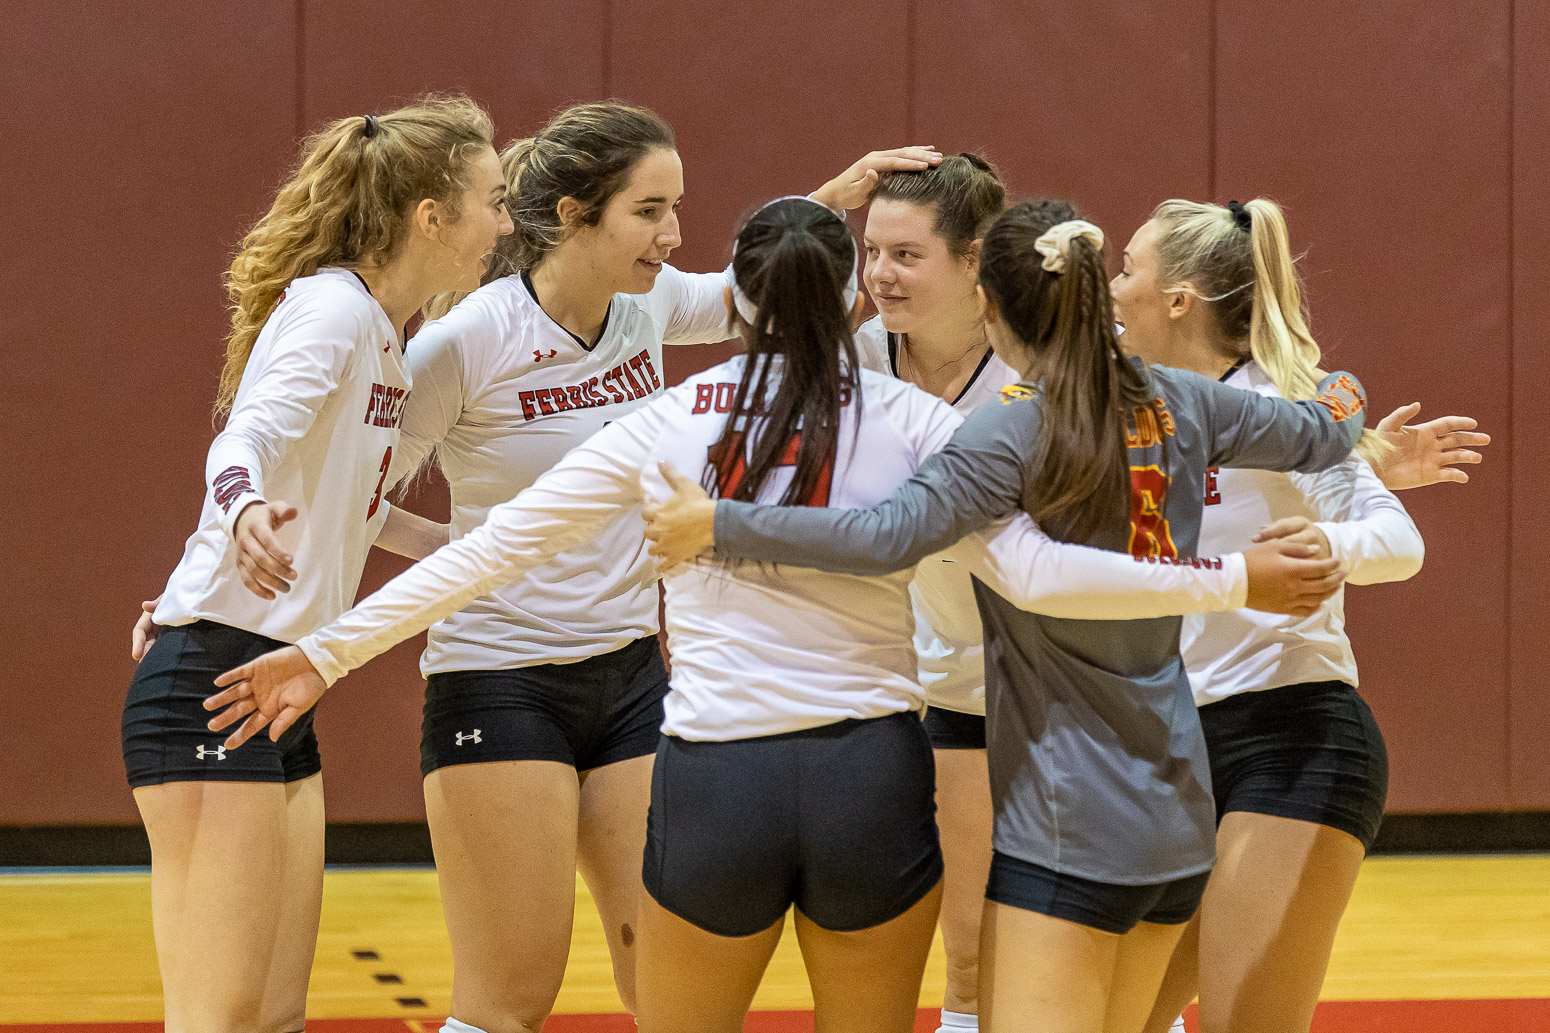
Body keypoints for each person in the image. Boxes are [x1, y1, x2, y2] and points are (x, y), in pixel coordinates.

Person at [201, 197, 1344, 1033]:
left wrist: (324, 651)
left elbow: (498, 547)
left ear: (737, 298)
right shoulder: (915, 421)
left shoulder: (672, 418)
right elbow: (1038, 569)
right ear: (850, 290)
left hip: (714, 781)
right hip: (871, 781)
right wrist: (1240, 563)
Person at [639, 199, 1376, 1033]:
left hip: (1067, 817)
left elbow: (890, 536)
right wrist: (1334, 378)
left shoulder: (1011, 428)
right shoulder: (1183, 400)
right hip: (1173, 815)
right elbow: (1328, 427)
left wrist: (724, 523)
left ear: (988, 304)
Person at [121, 96, 510, 1033]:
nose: (505, 223)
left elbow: (354, 512)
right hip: (213, 679)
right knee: (215, 1018)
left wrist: (477, 552)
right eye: (493, 201)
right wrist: (244, 505)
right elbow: (243, 440)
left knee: (276, 1016)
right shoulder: (333, 310)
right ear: (432, 217)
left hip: (283, 687)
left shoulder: (384, 333)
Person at [1108, 198, 1483, 1033]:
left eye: (1127, 268)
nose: (1112, 287)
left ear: (1178, 298)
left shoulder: (1284, 402)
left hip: (1291, 736)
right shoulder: (1130, 406)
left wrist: (1329, 540)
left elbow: (1397, 539)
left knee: (1246, 1020)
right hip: (1172, 747)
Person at [854, 152, 1016, 1033]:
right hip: (916, 692)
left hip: (1062, 692)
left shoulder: (1054, 361)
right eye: (871, 250)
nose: (880, 273)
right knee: (965, 954)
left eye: (906, 254)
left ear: (975, 260)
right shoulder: (848, 364)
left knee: (1111, 945)